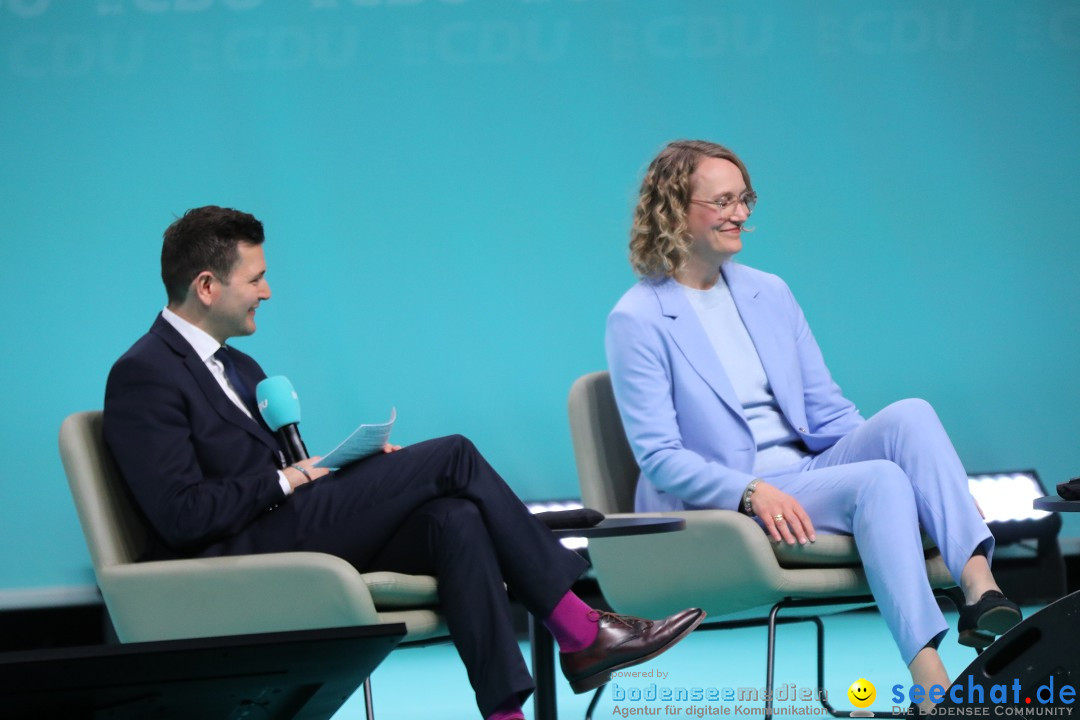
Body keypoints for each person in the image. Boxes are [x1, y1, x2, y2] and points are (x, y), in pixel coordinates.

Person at [103, 205, 704, 720]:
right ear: (207, 286)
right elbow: (182, 515)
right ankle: (579, 628)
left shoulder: (243, 369)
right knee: (452, 455)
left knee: (454, 516)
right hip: (233, 561)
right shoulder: (144, 374)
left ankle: (505, 711)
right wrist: (289, 477)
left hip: (281, 528)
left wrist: (337, 467)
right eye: (256, 279)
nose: (268, 291)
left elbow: (283, 477)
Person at [604, 140, 1020, 714]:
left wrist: (927, 474)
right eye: (723, 201)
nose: (741, 213)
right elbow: (659, 456)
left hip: (804, 474)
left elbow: (827, 412)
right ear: (675, 210)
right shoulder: (638, 317)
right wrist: (748, 491)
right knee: (879, 481)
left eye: (744, 198)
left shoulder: (768, 291)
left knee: (911, 416)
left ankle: (979, 585)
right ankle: (932, 688)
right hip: (725, 498)